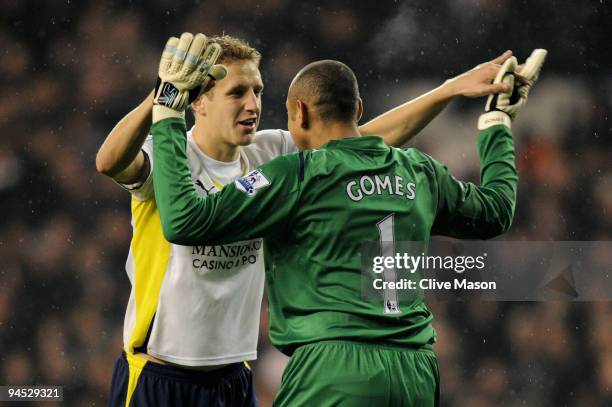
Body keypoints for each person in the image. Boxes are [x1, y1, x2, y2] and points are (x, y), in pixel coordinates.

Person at [97, 31, 516, 406]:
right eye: (237, 92)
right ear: (198, 100)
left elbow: (352, 144)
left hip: (233, 375)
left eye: (258, 91)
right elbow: (109, 161)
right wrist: (161, 98)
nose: (253, 104)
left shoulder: (272, 153)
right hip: (161, 371)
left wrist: (445, 91)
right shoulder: (170, 156)